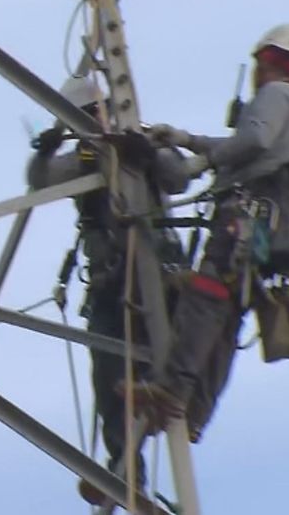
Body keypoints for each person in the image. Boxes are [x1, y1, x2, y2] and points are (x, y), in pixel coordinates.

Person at [132, 23, 289, 434]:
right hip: (271, 230)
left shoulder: (275, 94)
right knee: (227, 315)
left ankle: (171, 390)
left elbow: (253, 139)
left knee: (206, 297)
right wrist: (186, 139)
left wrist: (200, 163)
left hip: (244, 219)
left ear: (267, 60)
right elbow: (249, 145)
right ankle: (195, 412)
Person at [28, 76, 191, 508]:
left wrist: (148, 152)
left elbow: (179, 177)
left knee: (157, 367)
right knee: (108, 378)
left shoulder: (143, 140)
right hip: (110, 284)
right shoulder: (83, 159)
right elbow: (41, 180)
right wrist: (45, 151)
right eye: (78, 118)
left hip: (156, 275)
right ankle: (125, 465)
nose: (88, 123)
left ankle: (158, 427)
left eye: (90, 113)